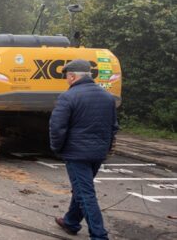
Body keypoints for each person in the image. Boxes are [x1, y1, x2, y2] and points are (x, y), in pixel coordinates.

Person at [50, 59, 118, 240]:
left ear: (72, 76)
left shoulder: (68, 96)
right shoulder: (108, 97)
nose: (66, 80)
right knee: (81, 189)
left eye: (66, 77)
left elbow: (57, 127)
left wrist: (57, 148)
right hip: (98, 153)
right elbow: (113, 126)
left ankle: (99, 235)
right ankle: (71, 222)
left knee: (85, 194)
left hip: (76, 154)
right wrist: (106, 148)